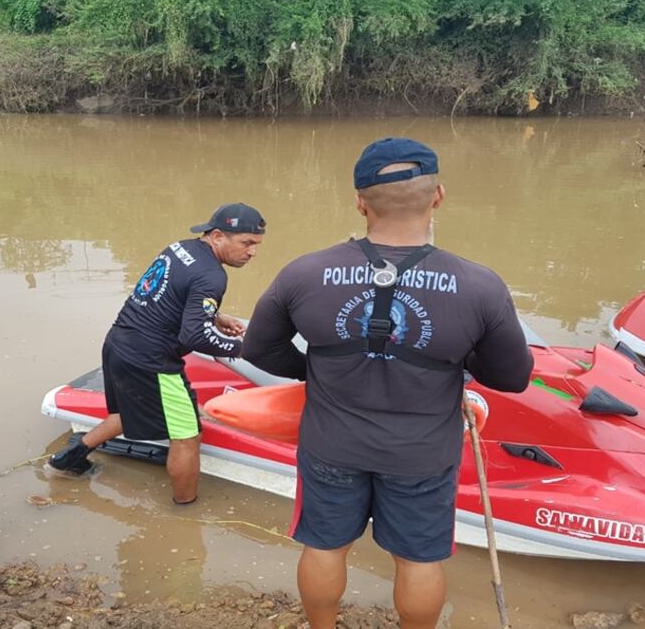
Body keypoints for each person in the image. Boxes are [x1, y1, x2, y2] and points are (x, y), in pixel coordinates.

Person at [242, 138, 533, 629]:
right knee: (419, 559)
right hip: (422, 455)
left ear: (360, 202)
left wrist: (318, 368)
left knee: (324, 545)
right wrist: (455, 358)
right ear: (438, 195)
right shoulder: (480, 286)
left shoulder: (305, 273)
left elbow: (258, 349)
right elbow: (512, 376)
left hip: (331, 445)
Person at [47, 203, 266, 504]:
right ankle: (185, 510)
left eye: (255, 245)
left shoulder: (179, 249)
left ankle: (67, 459)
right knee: (187, 436)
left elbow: (167, 294)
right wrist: (246, 350)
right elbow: (194, 336)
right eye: (247, 243)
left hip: (118, 343)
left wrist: (215, 316)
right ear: (217, 236)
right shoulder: (212, 276)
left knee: (126, 412)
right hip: (152, 361)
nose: (252, 252)